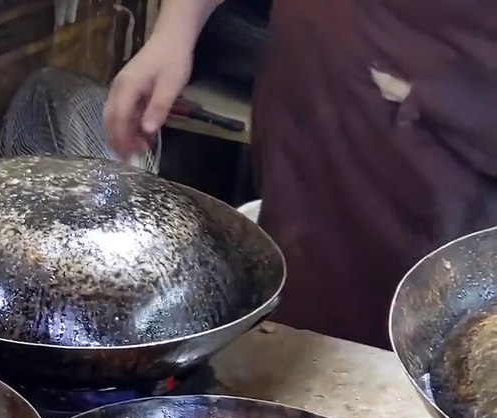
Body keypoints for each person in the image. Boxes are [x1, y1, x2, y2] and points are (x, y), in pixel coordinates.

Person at [103, 0, 497, 349]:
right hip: (318, 89)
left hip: (461, 122)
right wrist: (174, 32)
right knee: (299, 349)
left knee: (453, 357)